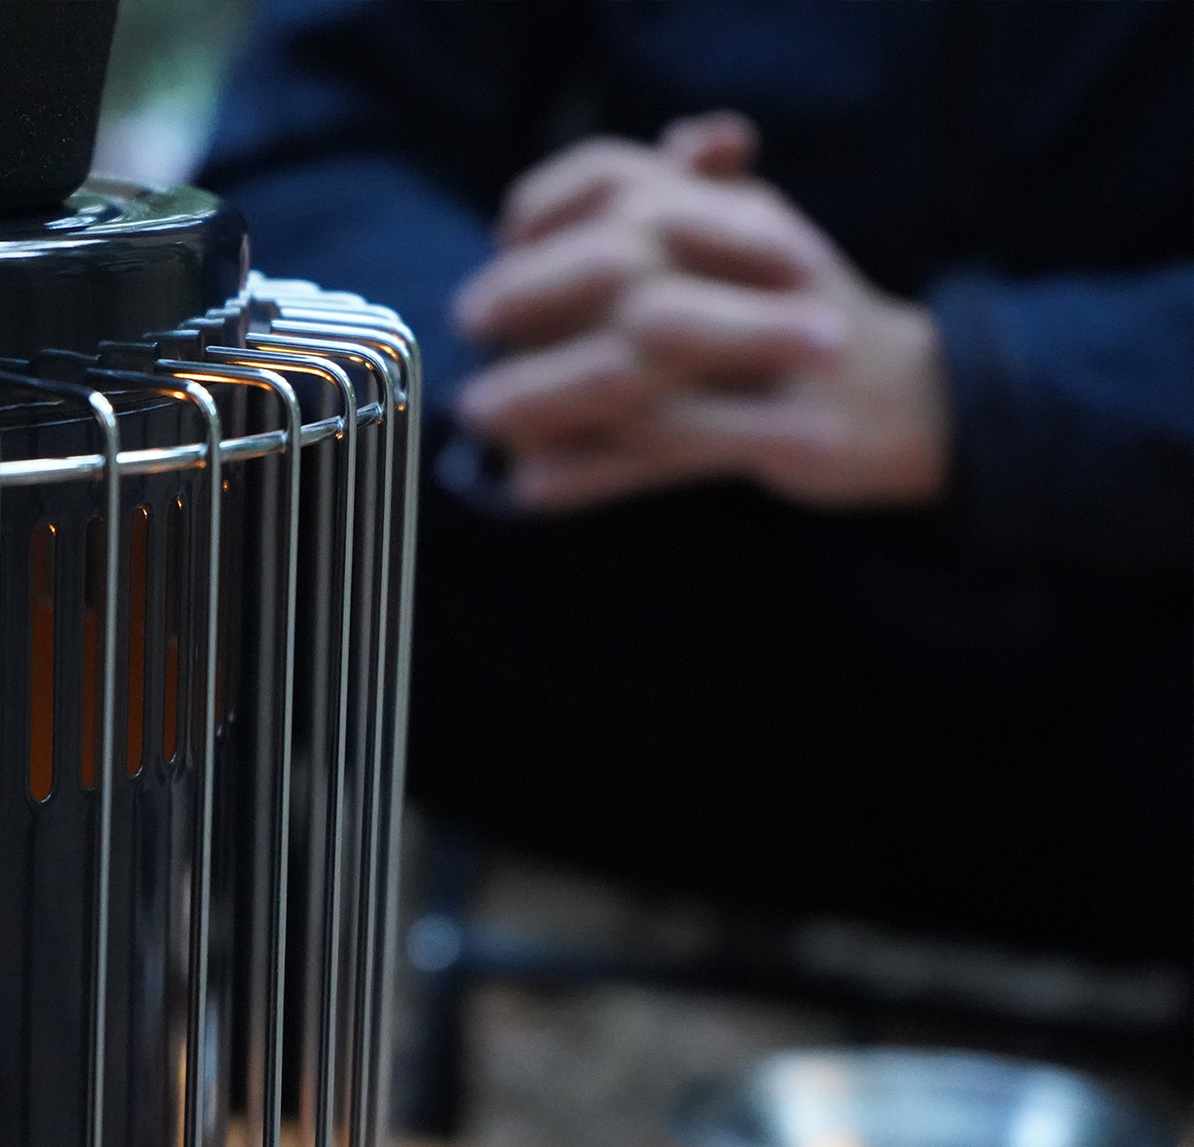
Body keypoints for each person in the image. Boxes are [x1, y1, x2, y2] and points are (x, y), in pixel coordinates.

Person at [198, 1, 1193, 967]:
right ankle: (221, 1102)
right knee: (213, 531)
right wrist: (563, 321)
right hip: (643, 570)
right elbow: (304, 157)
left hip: (1131, 643)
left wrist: (960, 390)